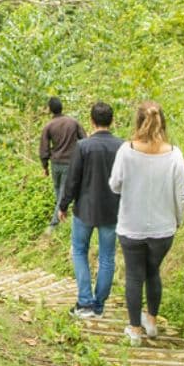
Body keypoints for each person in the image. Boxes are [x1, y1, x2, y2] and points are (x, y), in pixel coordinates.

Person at [108, 101, 184, 345]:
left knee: (134, 275)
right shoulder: (174, 154)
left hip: (132, 225)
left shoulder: (126, 150)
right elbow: (181, 194)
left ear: (138, 122)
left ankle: (134, 330)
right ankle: (151, 322)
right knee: (153, 272)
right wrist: (178, 220)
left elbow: (115, 184)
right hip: (163, 228)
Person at [56, 102, 122, 318]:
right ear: (111, 121)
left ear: (92, 121)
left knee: (79, 251)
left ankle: (84, 303)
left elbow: (73, 180)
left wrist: (63, 205)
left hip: (84, 208)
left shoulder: (83, 146)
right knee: (107, 257)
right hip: (112, 210)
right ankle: (99, 306)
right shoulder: (122, 146)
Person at [39, 96, 86, 231]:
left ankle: (54, 224)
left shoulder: (48, 126)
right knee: (61, 192)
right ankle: (60, 217)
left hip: (56, 163)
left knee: (60, 191)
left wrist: (44, 166)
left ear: (50, 110)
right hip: (70, 162)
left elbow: (44, 148)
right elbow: (84, 139)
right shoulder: (73, 122)